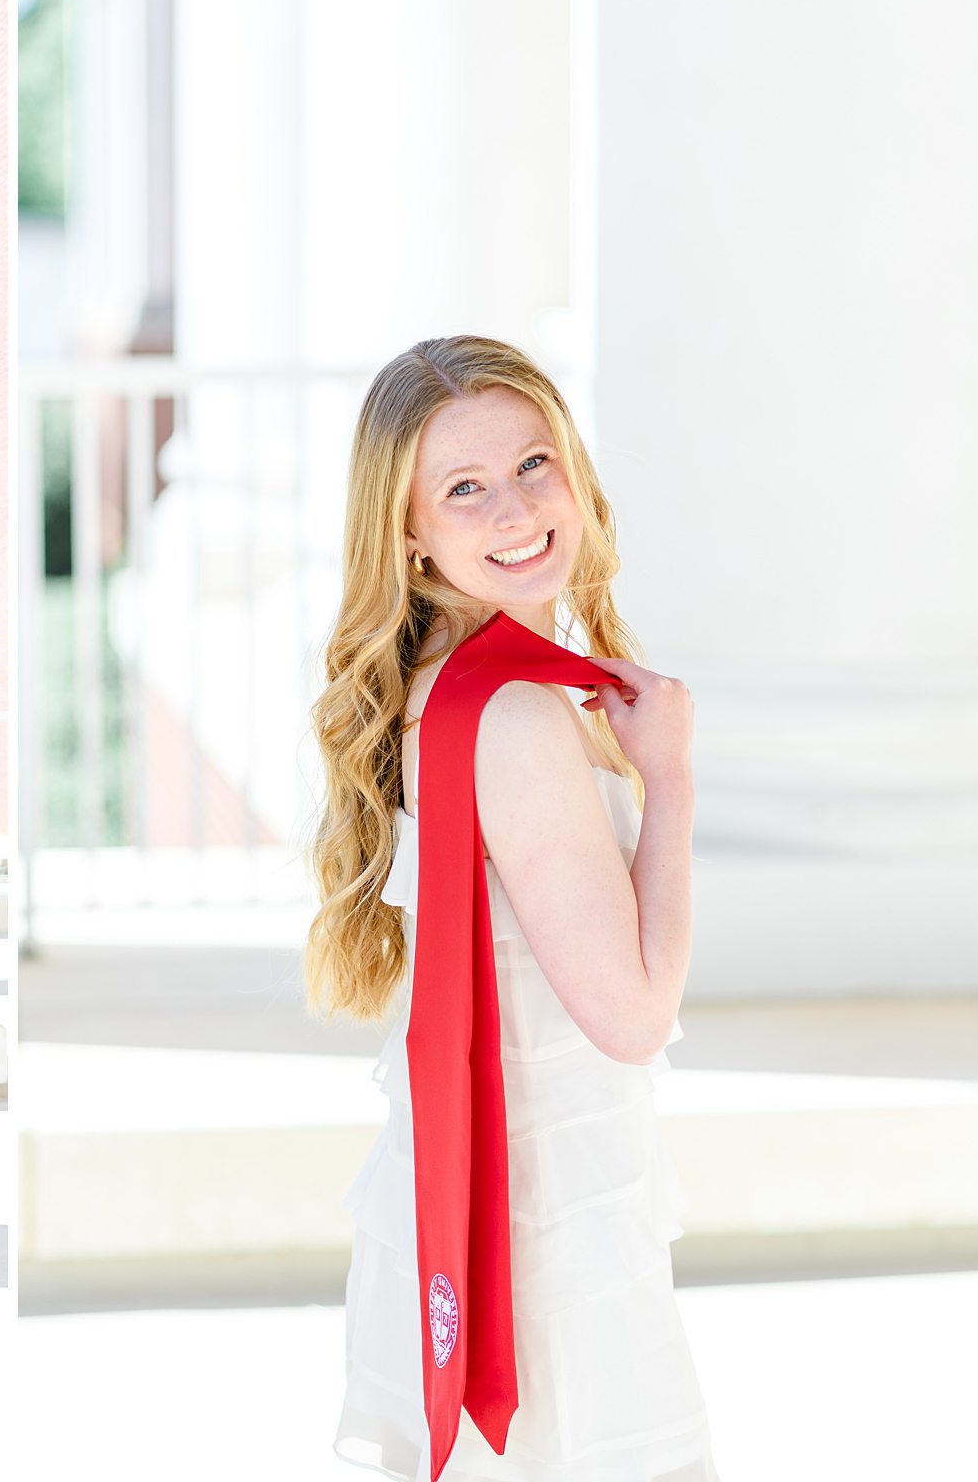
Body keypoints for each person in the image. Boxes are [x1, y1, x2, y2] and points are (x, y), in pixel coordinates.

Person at [305, 336, 718, 1478]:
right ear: (409, 532)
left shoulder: (450, 685)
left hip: (479, 1186)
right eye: (463, 488)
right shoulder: (520, 718)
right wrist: (671, 780)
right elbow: (631, 1015)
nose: (516, 507)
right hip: (540, 1214)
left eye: (533, 462)